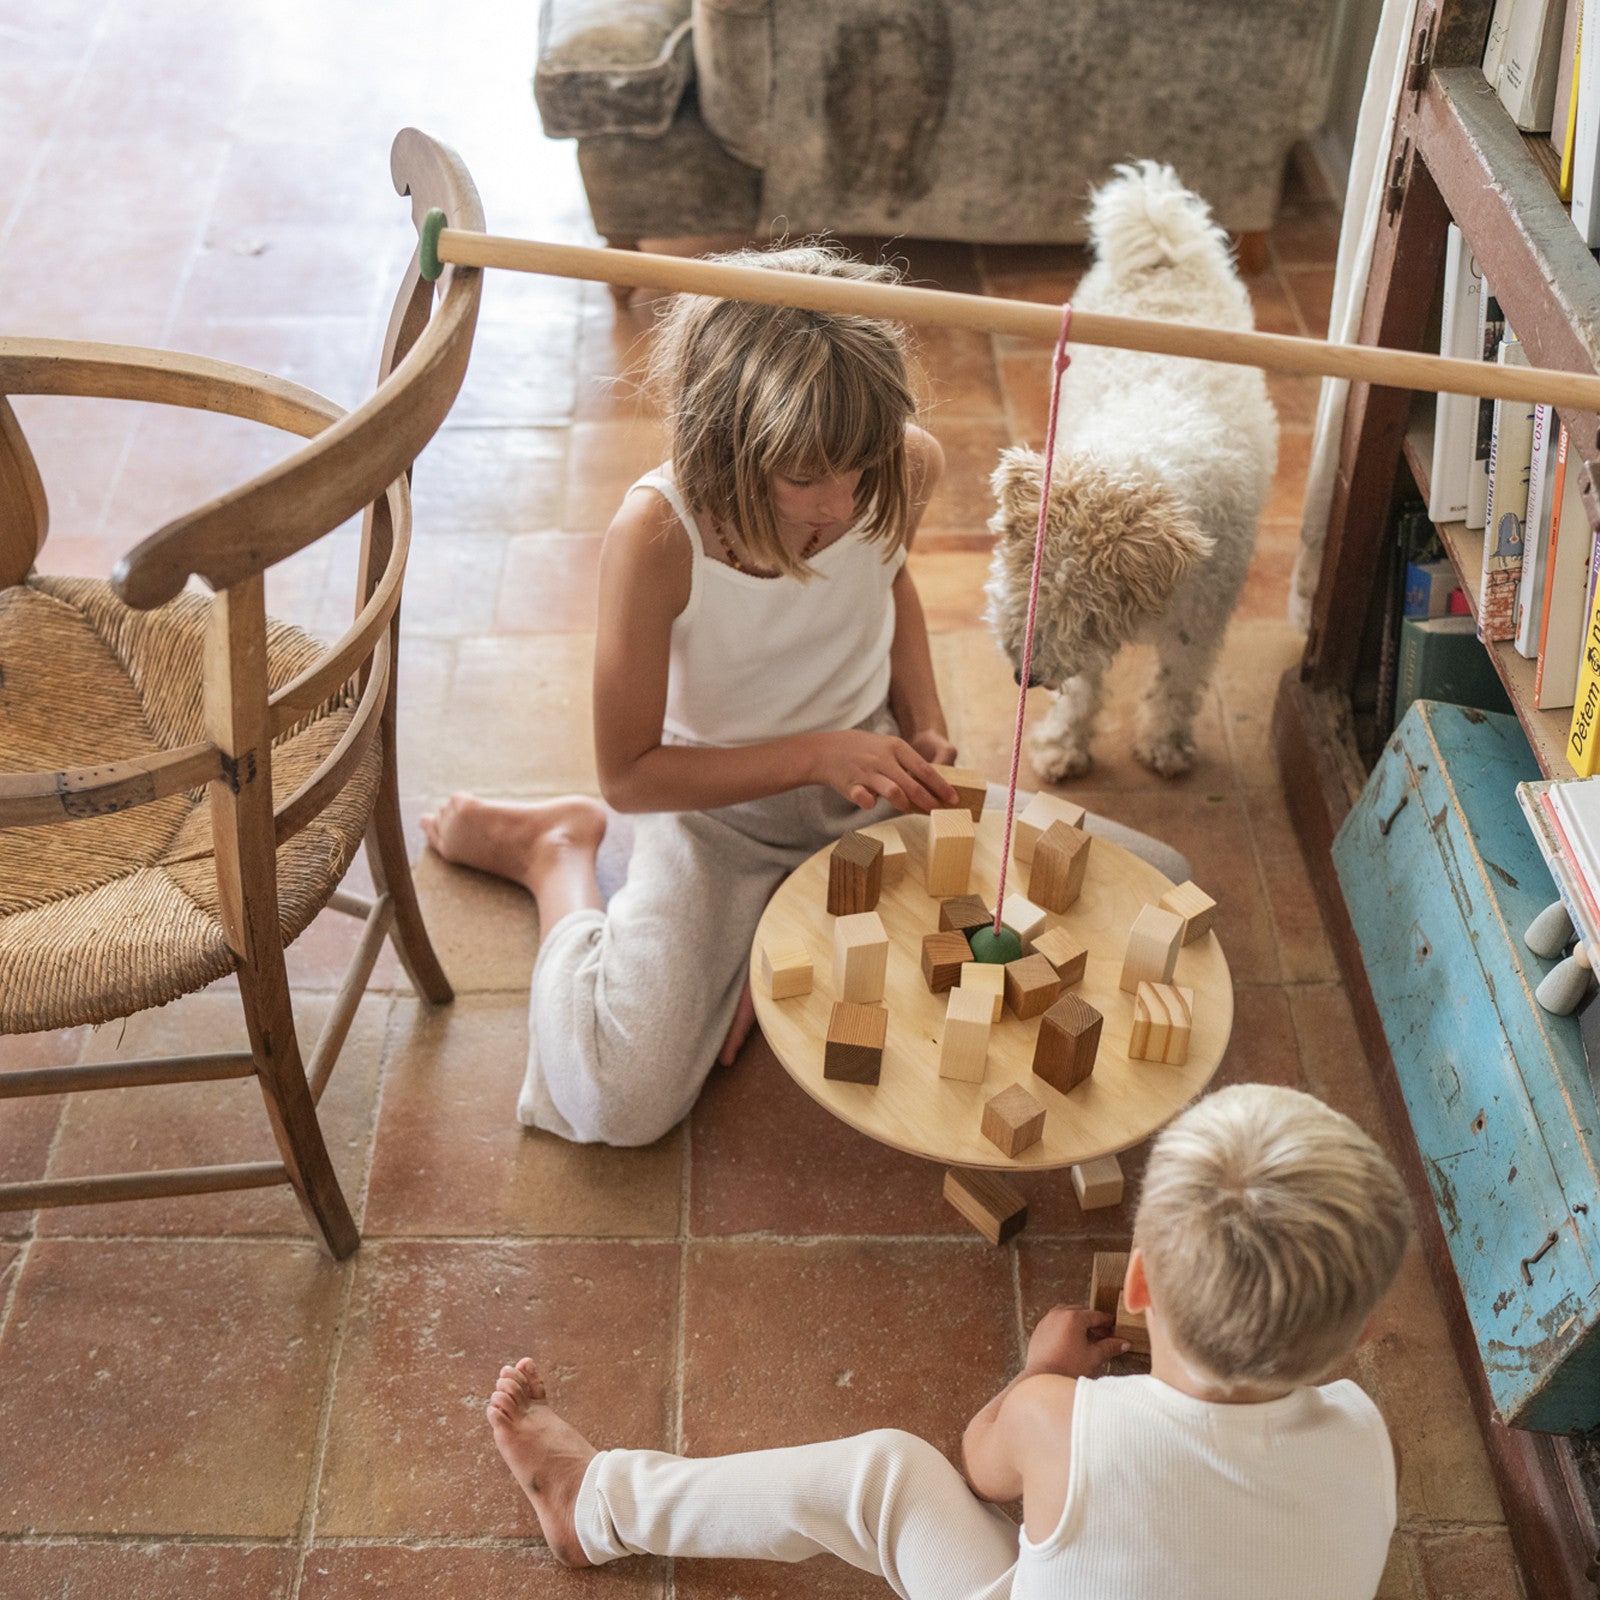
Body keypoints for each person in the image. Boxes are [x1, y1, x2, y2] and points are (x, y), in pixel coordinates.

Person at [422, 243, 1188, 1147]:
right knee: (615, 1102)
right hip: (711, 815)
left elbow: (889, 581)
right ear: (727, 445)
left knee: (1159, 884)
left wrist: (925, 724)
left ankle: (782, 928)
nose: (841, 502)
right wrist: (821, 753)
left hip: (868, 788)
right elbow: (630, 776)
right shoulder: (660, 533)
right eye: (805, 477)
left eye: (861, 468)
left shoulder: (903, 467)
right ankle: (555, 852)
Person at [484, 1084, 1414, 1599]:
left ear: (1136, 1284)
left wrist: (1039, 1373)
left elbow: (978, 1466)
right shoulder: (1368, 1439)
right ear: (1360, 1336)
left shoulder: (1060, 1421)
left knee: (886, 1475)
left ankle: (592, 1506)